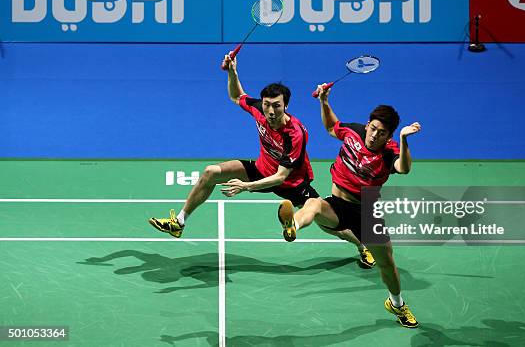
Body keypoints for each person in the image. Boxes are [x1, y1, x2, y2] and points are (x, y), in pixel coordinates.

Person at [147, 54, 376, 269]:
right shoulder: (260, 110)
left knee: (331, 226)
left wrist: (245, 186)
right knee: (210, 172)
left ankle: (362, 245)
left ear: (286, 105)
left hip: (293, 185)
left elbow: (281, 177)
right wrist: (232, 72)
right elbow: (237, 96)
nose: (271, 110)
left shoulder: (295, 134)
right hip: (261, 169)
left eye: (276, 105)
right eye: (267, 104)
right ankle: (179, 222)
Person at [277, 83, 422, 328]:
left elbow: (404, 168)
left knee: (387, 264)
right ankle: (293, 225)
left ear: (389, 135)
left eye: (382, 132)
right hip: (337, 204)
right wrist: (324, 101)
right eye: (373, 128)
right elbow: (331, 126)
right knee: (313, 203)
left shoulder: (390, 152)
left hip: (366, 213)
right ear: (368, 124)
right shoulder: (354, 132)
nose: (375, 135)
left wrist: (404, 139)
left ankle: (396, 304)